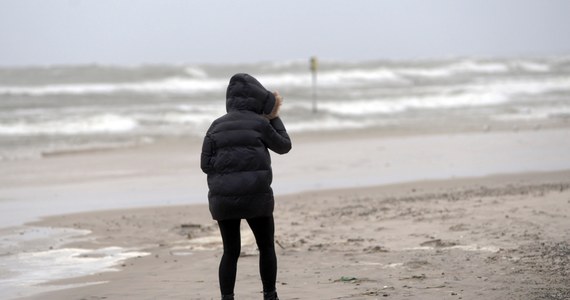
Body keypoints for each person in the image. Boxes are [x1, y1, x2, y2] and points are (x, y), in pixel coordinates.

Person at [200, 73, 292, 300]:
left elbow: (205, 165)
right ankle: (270, 296)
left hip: (224, 201)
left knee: (230, 251)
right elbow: (284, 146)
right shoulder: (261, 124)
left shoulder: (216, 126)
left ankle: (227, 297)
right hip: (256, 199)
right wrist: (274, 116)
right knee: (266, 247)